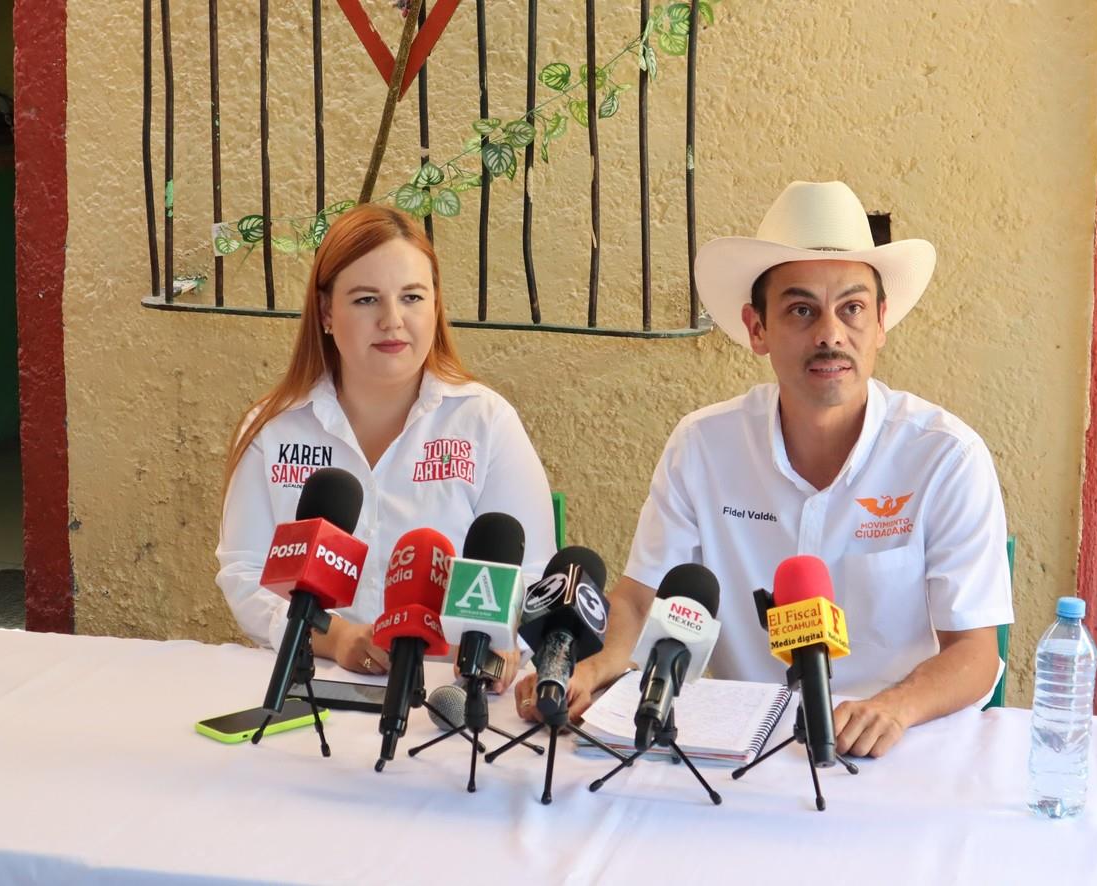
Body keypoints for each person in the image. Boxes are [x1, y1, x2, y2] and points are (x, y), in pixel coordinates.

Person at [514, 181, 1013, 758]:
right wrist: (598, 665)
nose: (830, 334)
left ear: (880, 322)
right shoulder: (702, 445)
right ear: (757, 329)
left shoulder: (945, 457)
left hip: (889, 750)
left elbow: (976, 652)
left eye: (851, 308)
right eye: (801, 310)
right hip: (722, 750)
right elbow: (638, 598)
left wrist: (894, 708)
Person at [217, 204, 555, 679]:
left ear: (436, 305)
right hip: (316, 681)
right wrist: (333, 638)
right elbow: (246, 573)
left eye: (412, 297)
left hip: (452, 689)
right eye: (365, 299)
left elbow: (534, 574)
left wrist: (490, 653)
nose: (393, 320)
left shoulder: (486, 422)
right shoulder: (273, 431)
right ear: (325, 313)